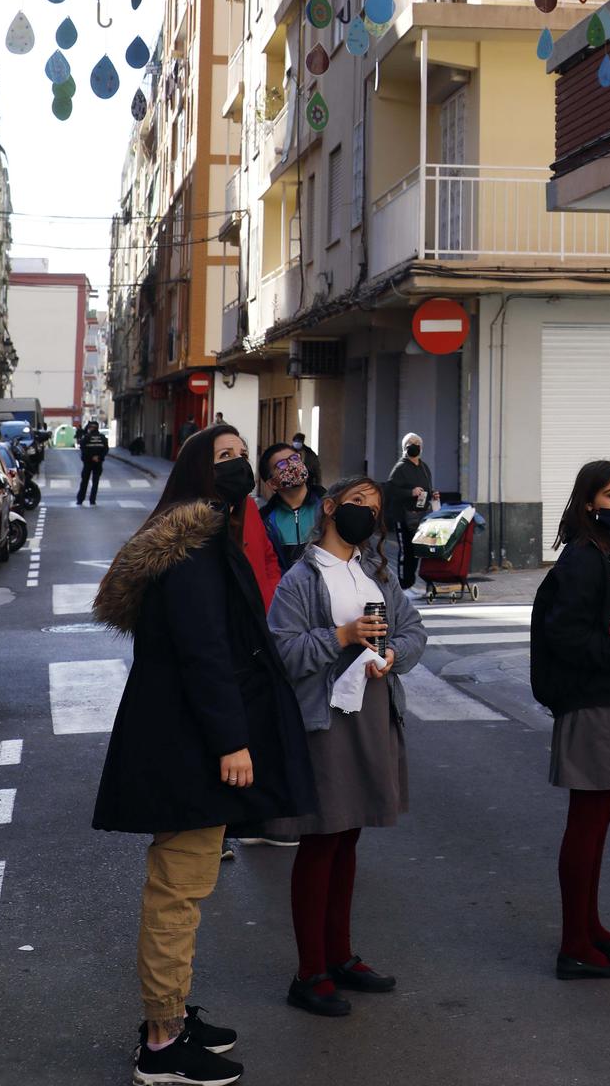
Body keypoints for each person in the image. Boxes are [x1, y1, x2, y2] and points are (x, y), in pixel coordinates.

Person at [92, 424, 315, 1086]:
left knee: (185, 885)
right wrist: (232, 742)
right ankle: (161, 1042)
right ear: (196, 473)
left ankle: (173, 1016)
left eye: (244, 456)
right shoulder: (192, 554)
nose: (241, 466)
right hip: (189, 740)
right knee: (178, 889)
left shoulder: (208, 539)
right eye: (225, 459)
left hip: (185, 734)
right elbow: (203, 652)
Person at [266, 478, 427, 1018]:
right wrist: (342, 635)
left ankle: (339, 955)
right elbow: (284, 654)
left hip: (374, 715)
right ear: (330, 507)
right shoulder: (300, 579)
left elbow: (413, 631)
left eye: (376, 509)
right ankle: (308, 971)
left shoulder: (376, 571)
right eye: (358, 504)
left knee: (349, 838)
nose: (367, 514)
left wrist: (394, 656)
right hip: (326, 721)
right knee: (321, 840)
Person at [529, 461, 610, 982]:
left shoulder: (606, 557)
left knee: (599, 817)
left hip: (607, 700)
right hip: (589, 705)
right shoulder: (582, 561)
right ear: (587, 503)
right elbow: (568, 637)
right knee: (587, 821)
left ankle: (591, 926)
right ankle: (575, 946)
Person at [258, 443, 325, 574]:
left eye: (294, 458)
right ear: (272, 483)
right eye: (282, 464)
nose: (292, 465)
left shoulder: (328, 505)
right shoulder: (265, 520)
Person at [383, 433, 438, 592]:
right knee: (406, 550)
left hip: (421, 516)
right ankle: (403, 583)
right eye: (410, 443)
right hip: (403, 516)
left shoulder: (424, 467)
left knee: (416, 550)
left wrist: (433, 494)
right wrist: (410, 492)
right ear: (404, 447)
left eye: (416, 443)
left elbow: (427, 488)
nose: (414, 445)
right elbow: (390, 490)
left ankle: (411, 580)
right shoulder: (400, 468)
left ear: (421, 447)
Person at [77, 420, 108, 506]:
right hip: (98, 463)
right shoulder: (103, 438)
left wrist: (91, 457)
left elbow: (83, 448)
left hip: (88, 463)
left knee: (84, 481)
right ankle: (92, 500)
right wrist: (99, 457)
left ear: (90, 428)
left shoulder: (86, 437)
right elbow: (105, 450)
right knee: (95, 482)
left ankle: (80, 499)